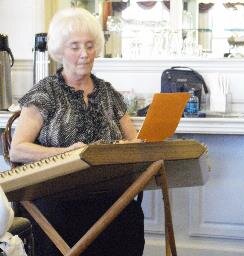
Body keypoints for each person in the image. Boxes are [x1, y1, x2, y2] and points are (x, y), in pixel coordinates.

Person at [10, 7, 144, 256]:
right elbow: (17, 148)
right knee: (62, 217)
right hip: (56, 196)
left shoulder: (108, 93)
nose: (84, 54)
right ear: (61, 51)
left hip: (107, 195)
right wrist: (65, 153)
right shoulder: (45, 93)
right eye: (75, 47)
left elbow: (134, 143)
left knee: (130, 214)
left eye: (90, 46)